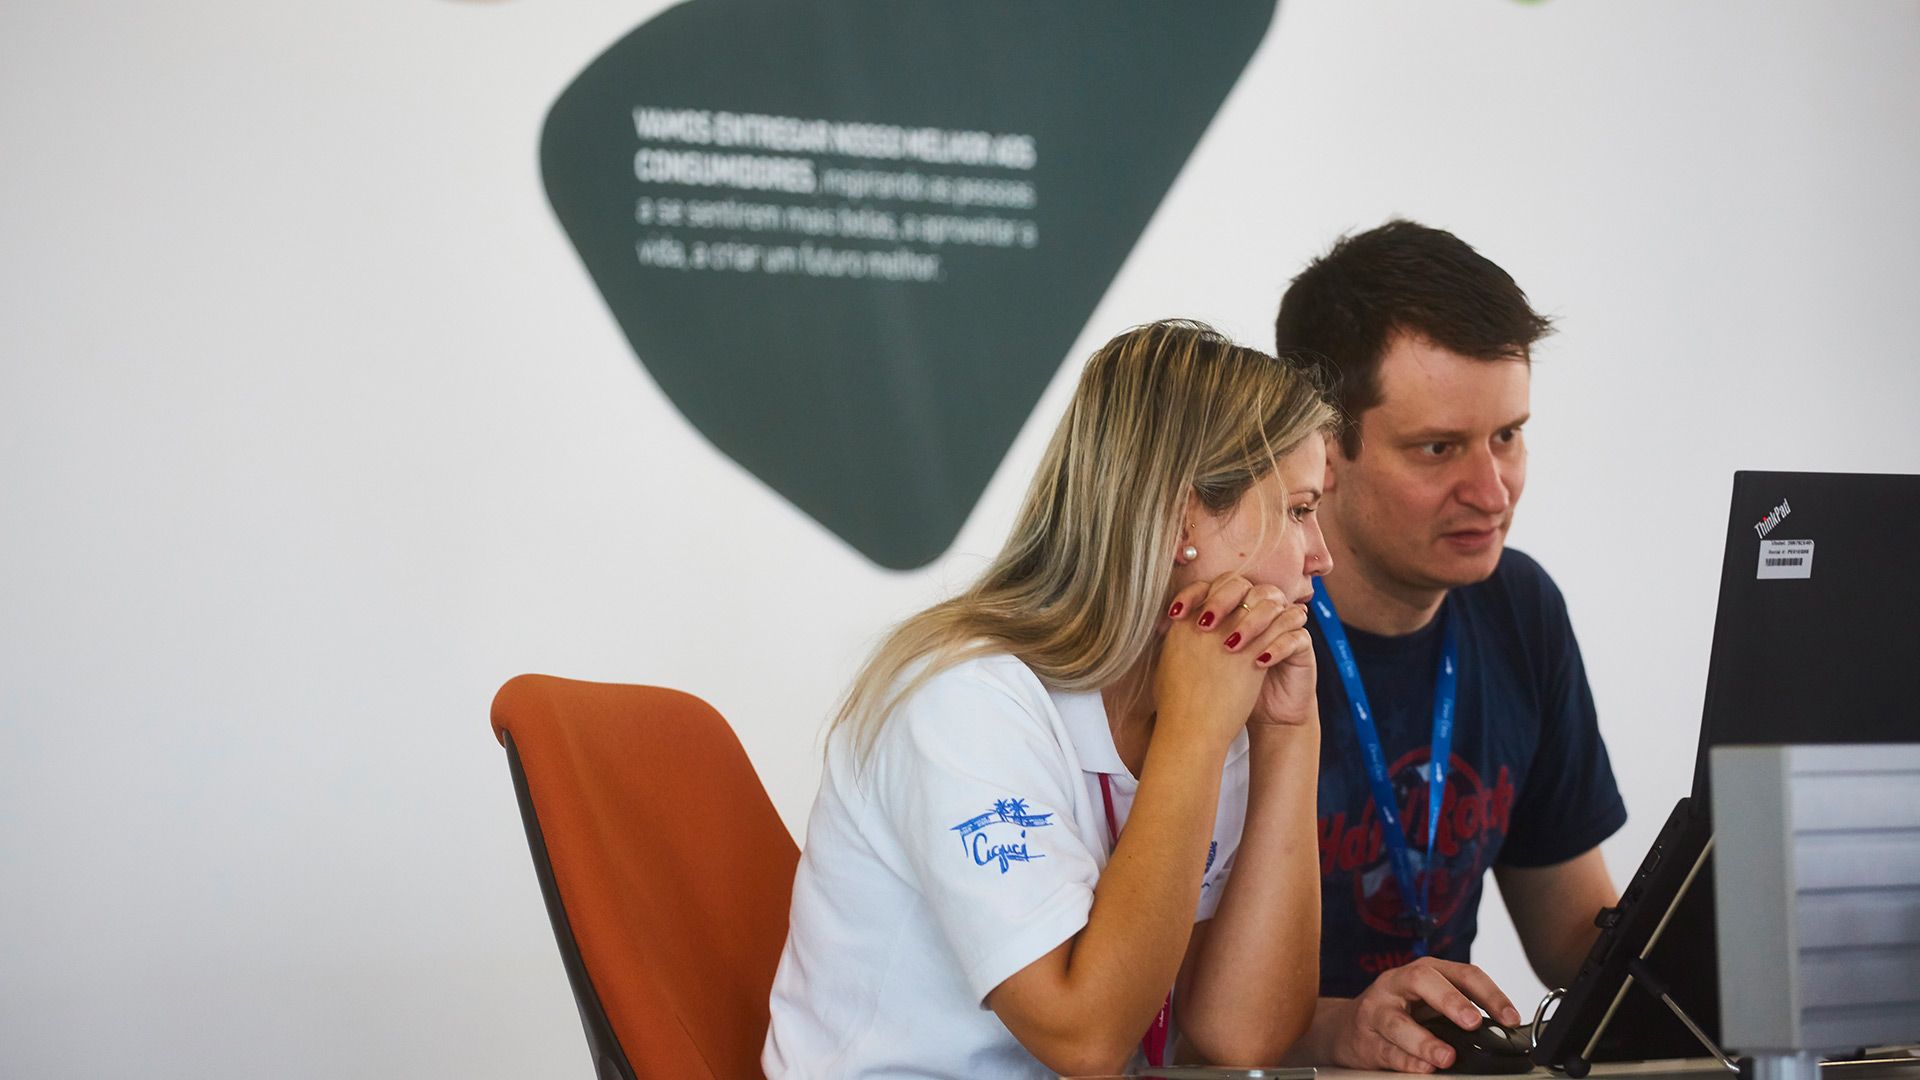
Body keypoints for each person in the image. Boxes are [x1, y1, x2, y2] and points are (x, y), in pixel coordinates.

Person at [764, 321, 1334, 1078]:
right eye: (1298, 510)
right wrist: (1194, 739)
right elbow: (1084, 1037)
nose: (1322, 555)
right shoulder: (961, 697)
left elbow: (1239, 1034)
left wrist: (1289, 735)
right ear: (1182, 516)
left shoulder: (1212, 691)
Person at [1273, 221, 1627, 1074]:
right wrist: (1335, 1028)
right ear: (1325, 447)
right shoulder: (1240, 625)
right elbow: (1153, 998)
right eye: (1439, 449)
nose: (1491, 490)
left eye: (1507, 435)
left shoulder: (1520, 605)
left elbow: (1575, 938)